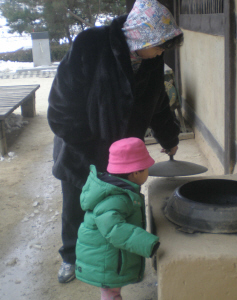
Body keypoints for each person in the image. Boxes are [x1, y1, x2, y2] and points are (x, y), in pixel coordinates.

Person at [47, 0, 183, 283]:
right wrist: (90, 151)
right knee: (77, 205)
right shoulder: (91, 44)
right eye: (160, 44)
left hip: (122, 155)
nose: (162, 51)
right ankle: (71, 257)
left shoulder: (150, 59)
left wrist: (169, 138)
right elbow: (61, 109)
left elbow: (157, 103)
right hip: (80, 148)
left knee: (117, 208)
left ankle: (109, 260)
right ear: (142, 35)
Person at [75, 137, 160, 300]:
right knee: (110, 292)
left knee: (112, 291)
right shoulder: (116, 199)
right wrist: (148, 243)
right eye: (146, 168)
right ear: (136, 173)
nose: (149, 172)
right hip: (105, 260)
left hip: (109, 254)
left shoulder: (118, 189)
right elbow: (115, 230)